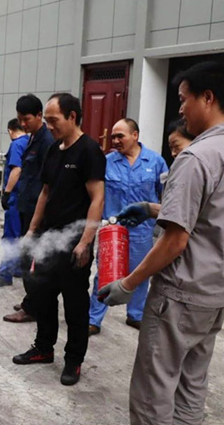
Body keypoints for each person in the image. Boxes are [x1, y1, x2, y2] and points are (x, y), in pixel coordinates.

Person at [98, 62, 224, 423]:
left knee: (152, 391)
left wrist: (128, 284)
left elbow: (175, 241)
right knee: (191, 384)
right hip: (217, 294)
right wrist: (153, 209)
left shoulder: (195, 157)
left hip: (181, 297)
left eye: (184, 100)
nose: (181, 109)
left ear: (208, 98)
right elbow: (213, 217)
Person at [13, 93, 105, 386]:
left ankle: (74, 360)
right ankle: (43, 348)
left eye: (54, 120)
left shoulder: (89, 150)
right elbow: (45, 192)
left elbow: (97, 198)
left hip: (74, 242)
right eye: (48, 121)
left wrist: (85, 241)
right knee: (42, 296)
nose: (49, 126)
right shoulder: (54, 149)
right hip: (47, 239)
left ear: (72, 117)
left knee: (75, 304)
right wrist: (32, 230)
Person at [88, 119, 168, 336]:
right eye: (113, 136)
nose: (115, 140)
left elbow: (166, 194)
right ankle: (93, 319)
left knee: (141, 272)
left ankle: (136, 315)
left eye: (120, 136)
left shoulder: (156, 161)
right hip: (113, 231)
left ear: (135, 135)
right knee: (105, 274)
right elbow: (97, 195)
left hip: (142, 231)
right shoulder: (106, 162)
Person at [2, 94, 54, 322]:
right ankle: (32, 301)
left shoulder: (47, 142)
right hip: (26, 208)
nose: (23, 124)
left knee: (33, 260)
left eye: (27, 119)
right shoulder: (32, 138)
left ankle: (33, 308)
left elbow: (47, 185)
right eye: (20, 119)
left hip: (37, 213)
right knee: (27, 258)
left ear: (39, 116)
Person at [0, 119, 29, 287]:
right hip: (27, 197)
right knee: (22, 235)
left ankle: (5, 274)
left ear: (10, 130)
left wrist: (6, 192)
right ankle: (18, 268)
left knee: (11, 236)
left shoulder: (17, 144)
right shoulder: (30, 141)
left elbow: (16, 169)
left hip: (16, 197)